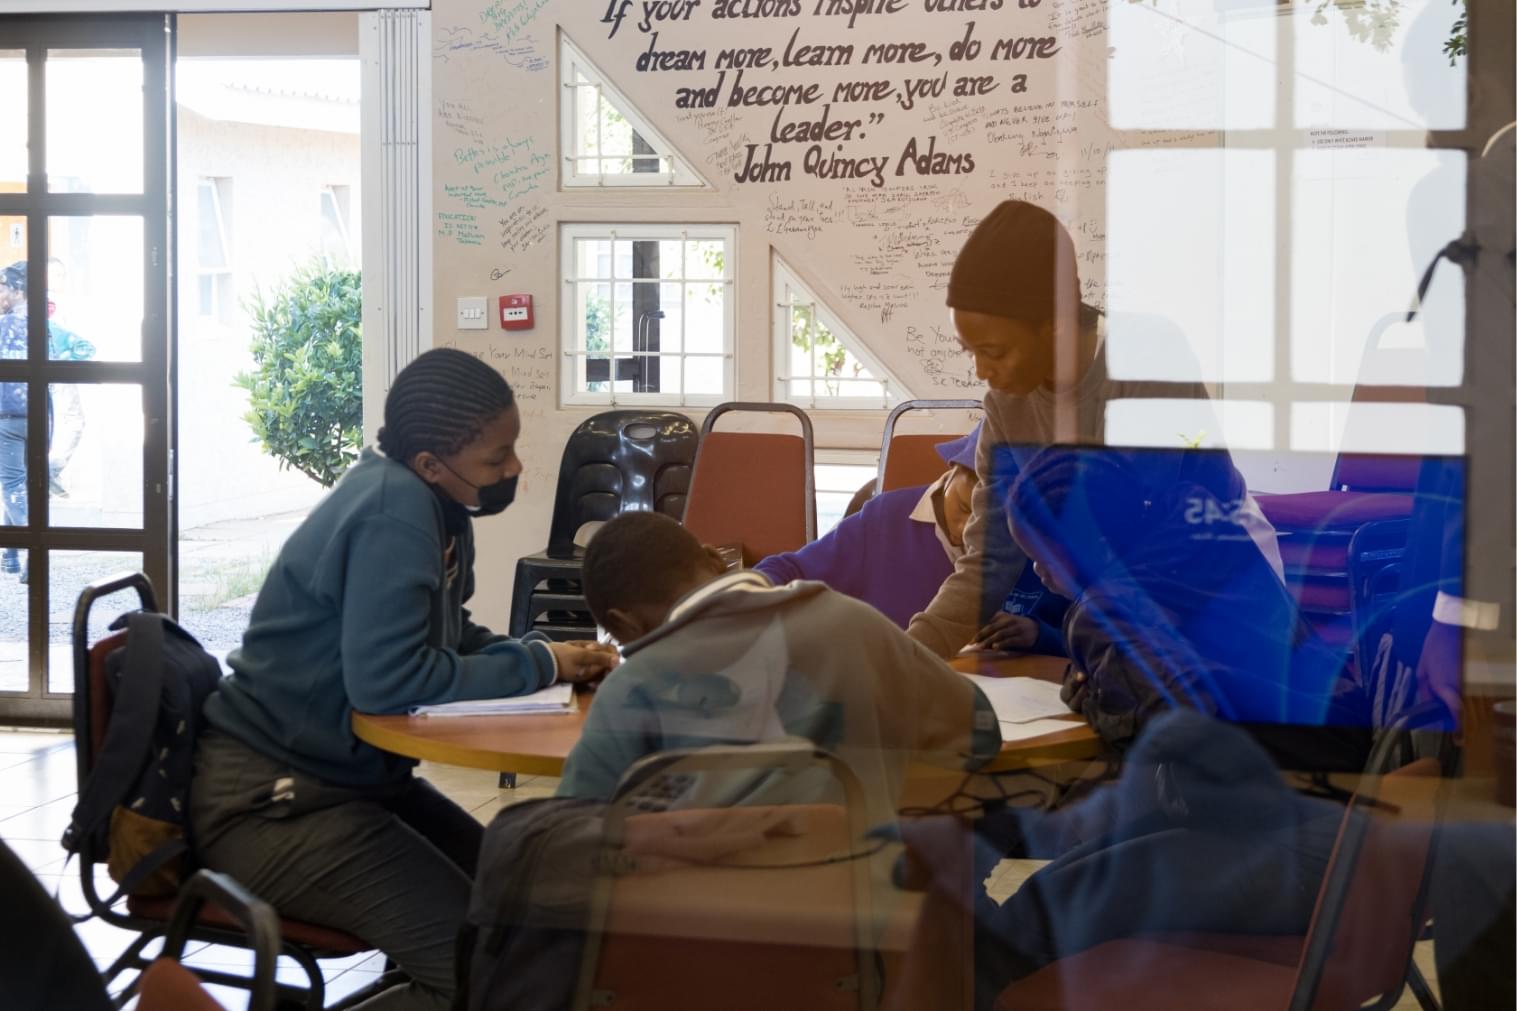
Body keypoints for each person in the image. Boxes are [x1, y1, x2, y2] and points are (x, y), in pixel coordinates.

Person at [188, 349, 618, 1011]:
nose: (513, 469)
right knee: (489, 981)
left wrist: (546, 655)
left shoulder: (438, 505)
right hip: (274, 802)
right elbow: (388, 682)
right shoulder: (393, 511)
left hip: (350, 784)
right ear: (430, 463)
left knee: (522, 915)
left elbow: (444, 634)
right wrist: (539, 665)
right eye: (496, 458)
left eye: (513, 449)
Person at [905, 200, 1282, 660]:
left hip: (1215, 574)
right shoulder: (1005, 407)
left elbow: (1143, 530)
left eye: (995, 351)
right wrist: (908, 659)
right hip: (1112, 592)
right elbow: (989, 560)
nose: (982, 370)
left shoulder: (1146, 360)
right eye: (969, 352)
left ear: (1056, 327)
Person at [556, 511, 1003, 816]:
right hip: (860, 935)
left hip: (693, 938)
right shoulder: (854, 622)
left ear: (623, 624)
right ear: (716, 559)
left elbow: (567, 836)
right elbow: (980, 733)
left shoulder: (633, 687)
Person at [1003, 446, 1349, 753]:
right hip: (1348, 728)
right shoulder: (1196, 531)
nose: (1038, 571)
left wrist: (1096, 700)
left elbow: (1180, 736)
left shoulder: (1104, 612)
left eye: (1045, 560)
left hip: (1291, 784)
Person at [754, 424, 1067, 654]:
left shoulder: (1038, 544)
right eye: (962, 509)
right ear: (953, 468)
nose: (964, 532)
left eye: (994, 525)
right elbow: (788, 570)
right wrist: (740, 596)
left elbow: (1093, 640)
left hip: (1011, 714)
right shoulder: (884, 520)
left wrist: (1039, 635)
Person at [0, 262, 31, 581]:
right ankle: (9, 555)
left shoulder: (5, 325)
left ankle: (32, 550)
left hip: (8, 414)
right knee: (22, 484)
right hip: (39, 413)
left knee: (11, 485)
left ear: (18, 290)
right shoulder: (44, 323)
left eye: (3, 287)